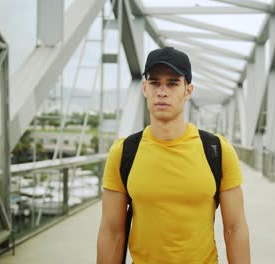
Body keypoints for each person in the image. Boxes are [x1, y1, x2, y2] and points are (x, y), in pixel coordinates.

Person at [97, 47, 250, 264]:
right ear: (144, 88)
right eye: (155, 83)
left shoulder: (218, 150)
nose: (162, 91)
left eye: (172, 83)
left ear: (188, 90)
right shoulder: (123, 152)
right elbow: (111, 231)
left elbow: (234, 228)